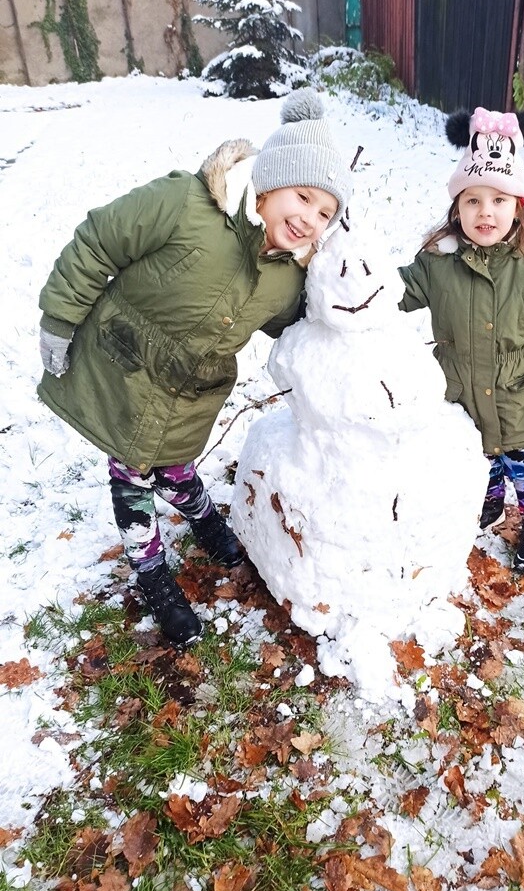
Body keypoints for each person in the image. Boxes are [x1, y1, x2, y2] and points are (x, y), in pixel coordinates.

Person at [38, 89, 352, 647]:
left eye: (325, 213)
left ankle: (203, 515)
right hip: (124, 369)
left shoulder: (287, 277)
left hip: (189, 395)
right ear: (270, 181)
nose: (308, 218)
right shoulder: (186, 202)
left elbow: (297, 326)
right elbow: (98, 242)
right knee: (132, 472)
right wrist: (59, 319)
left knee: (173, 465)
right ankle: (153, 573)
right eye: (302, 197)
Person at [398, 105, 524, 574]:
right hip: (463, 391)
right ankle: (487, 503)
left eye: (499, 201)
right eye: (473, 201)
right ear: (456, 208)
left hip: (519, 394)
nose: (486, 211)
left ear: (518, 207)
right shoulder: (436, 263)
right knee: (479, 455)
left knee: (523, 464)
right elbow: (394, 296)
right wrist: (351, 285)